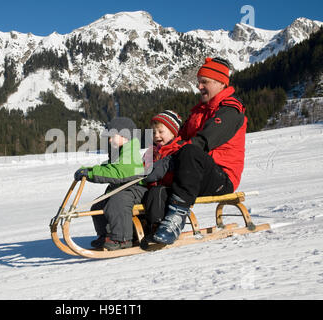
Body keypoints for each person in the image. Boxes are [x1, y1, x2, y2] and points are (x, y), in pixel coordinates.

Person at [145, 57, 247, 245]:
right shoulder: (198, 111)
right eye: (198, 82)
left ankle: (176, 218)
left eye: (204, 82)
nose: (199, 87)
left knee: (190, 151)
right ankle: (149, 227)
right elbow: (178, 139)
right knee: (156, 187)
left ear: (221, 83)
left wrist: (172, 158)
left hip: (221, 177)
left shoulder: (231, 110)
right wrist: (158, 155)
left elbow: (203, 142)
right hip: (192, 174)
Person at [74, 117, 146, 251]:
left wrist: (90, 174)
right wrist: (88, 170)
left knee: (117, 203)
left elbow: (117, 172)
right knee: (99, 205)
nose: (109, 140)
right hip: (124, 190)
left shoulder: (130, 155)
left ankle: (122, 239)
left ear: (125, 136)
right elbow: (108, 167)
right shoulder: (120, 154)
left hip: (135, 190)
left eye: (112, 136)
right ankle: (105, 235)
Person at [141, 110, 183, 239]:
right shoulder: (151, 152)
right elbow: (143, 169)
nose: (156, 135)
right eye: (153, 132)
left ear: (173, 132)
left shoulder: (178, 149)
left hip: (170, 189)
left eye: (160, 132)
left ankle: (157, 226)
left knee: (157, 192)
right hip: (152, 188)